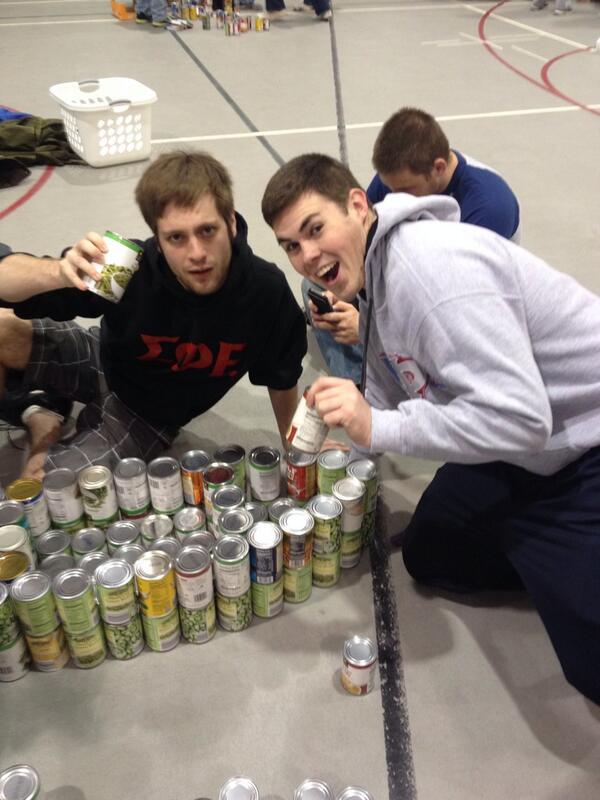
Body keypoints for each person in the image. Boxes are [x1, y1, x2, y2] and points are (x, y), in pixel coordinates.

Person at [261, 152, 600, 705]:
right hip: (522, 452)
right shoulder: (371, 284)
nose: (307, 255)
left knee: (591, 667)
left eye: (315, 230)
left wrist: (376, 425)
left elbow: (523, 420)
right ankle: (555, 558)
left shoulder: (429, 271)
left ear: (356, 206)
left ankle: (563, 558)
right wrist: (358, 362)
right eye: (292, 245)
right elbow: (408, 397)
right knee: (430, 553)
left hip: (582, 444)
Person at [0, 151, 306, 480]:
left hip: (143, 419)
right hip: (100, 358)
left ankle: (39, 415)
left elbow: (282, 378)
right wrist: (58, 272)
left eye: (207, 231)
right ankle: (38, 411)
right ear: (157, 240)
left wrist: (298, 448)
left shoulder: (265, 292)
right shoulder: (125, 264)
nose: (197, 254)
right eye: (177, 237)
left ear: (231, 222)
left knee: (49, 492)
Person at [304, 106, 520, 385]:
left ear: (438, 169)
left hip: (458, 306)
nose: (393, 198)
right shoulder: (398, 180)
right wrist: (348, 291)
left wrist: (367, 327)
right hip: (405, 275)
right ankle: (366, 382)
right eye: (388, 187)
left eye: (404, 191)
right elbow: (364, 240)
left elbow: (449, 305)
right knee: (317, 286)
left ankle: (382, 388)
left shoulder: (488, 206)